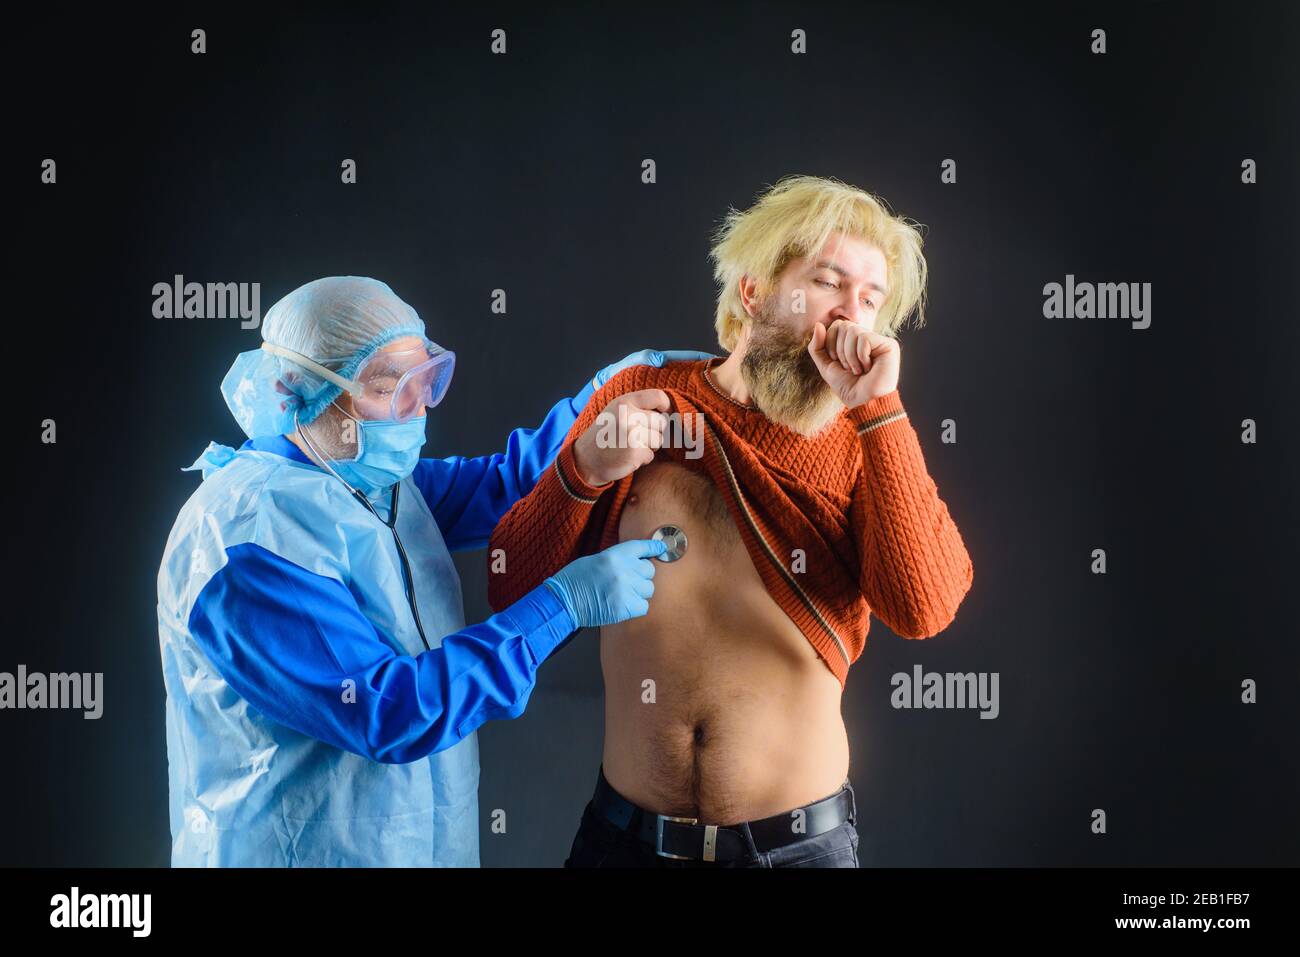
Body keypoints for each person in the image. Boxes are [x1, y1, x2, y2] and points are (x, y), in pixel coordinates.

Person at [486, 175, 975, 867]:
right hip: (623, 841)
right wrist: (585, 469)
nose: (851, 318)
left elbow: (924, 608)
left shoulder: (867, 439)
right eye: (829, 283)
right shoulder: (641, 400)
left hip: (798, 849)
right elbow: (509, 582)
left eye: (870, 300)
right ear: (753, 291)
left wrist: (879, 411)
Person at [156, 274, 709, 866]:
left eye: (424, 381)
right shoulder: (248, 542)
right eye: (387, 387)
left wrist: (598, 398)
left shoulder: (367, 482)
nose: (415, 409)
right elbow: (387, 709)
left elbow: (502, 484)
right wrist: (563, 606)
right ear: (295, 391)